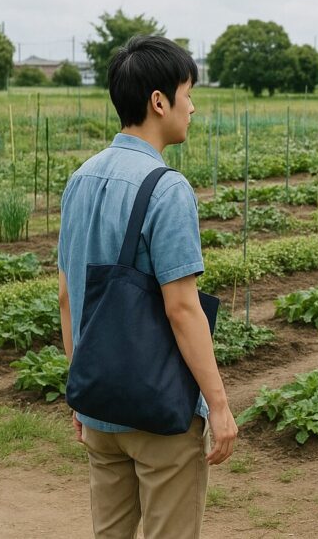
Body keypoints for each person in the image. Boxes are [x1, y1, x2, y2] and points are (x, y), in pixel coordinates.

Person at [58, 35, 237, 539]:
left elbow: (68, 296)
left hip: (101, 409)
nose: (193, 106)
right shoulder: (167, 188)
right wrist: (219, 406)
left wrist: (81, 392)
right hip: (159, 414)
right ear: (159, 101)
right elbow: (182, 309)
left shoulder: (80, 179)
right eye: (188, 92)